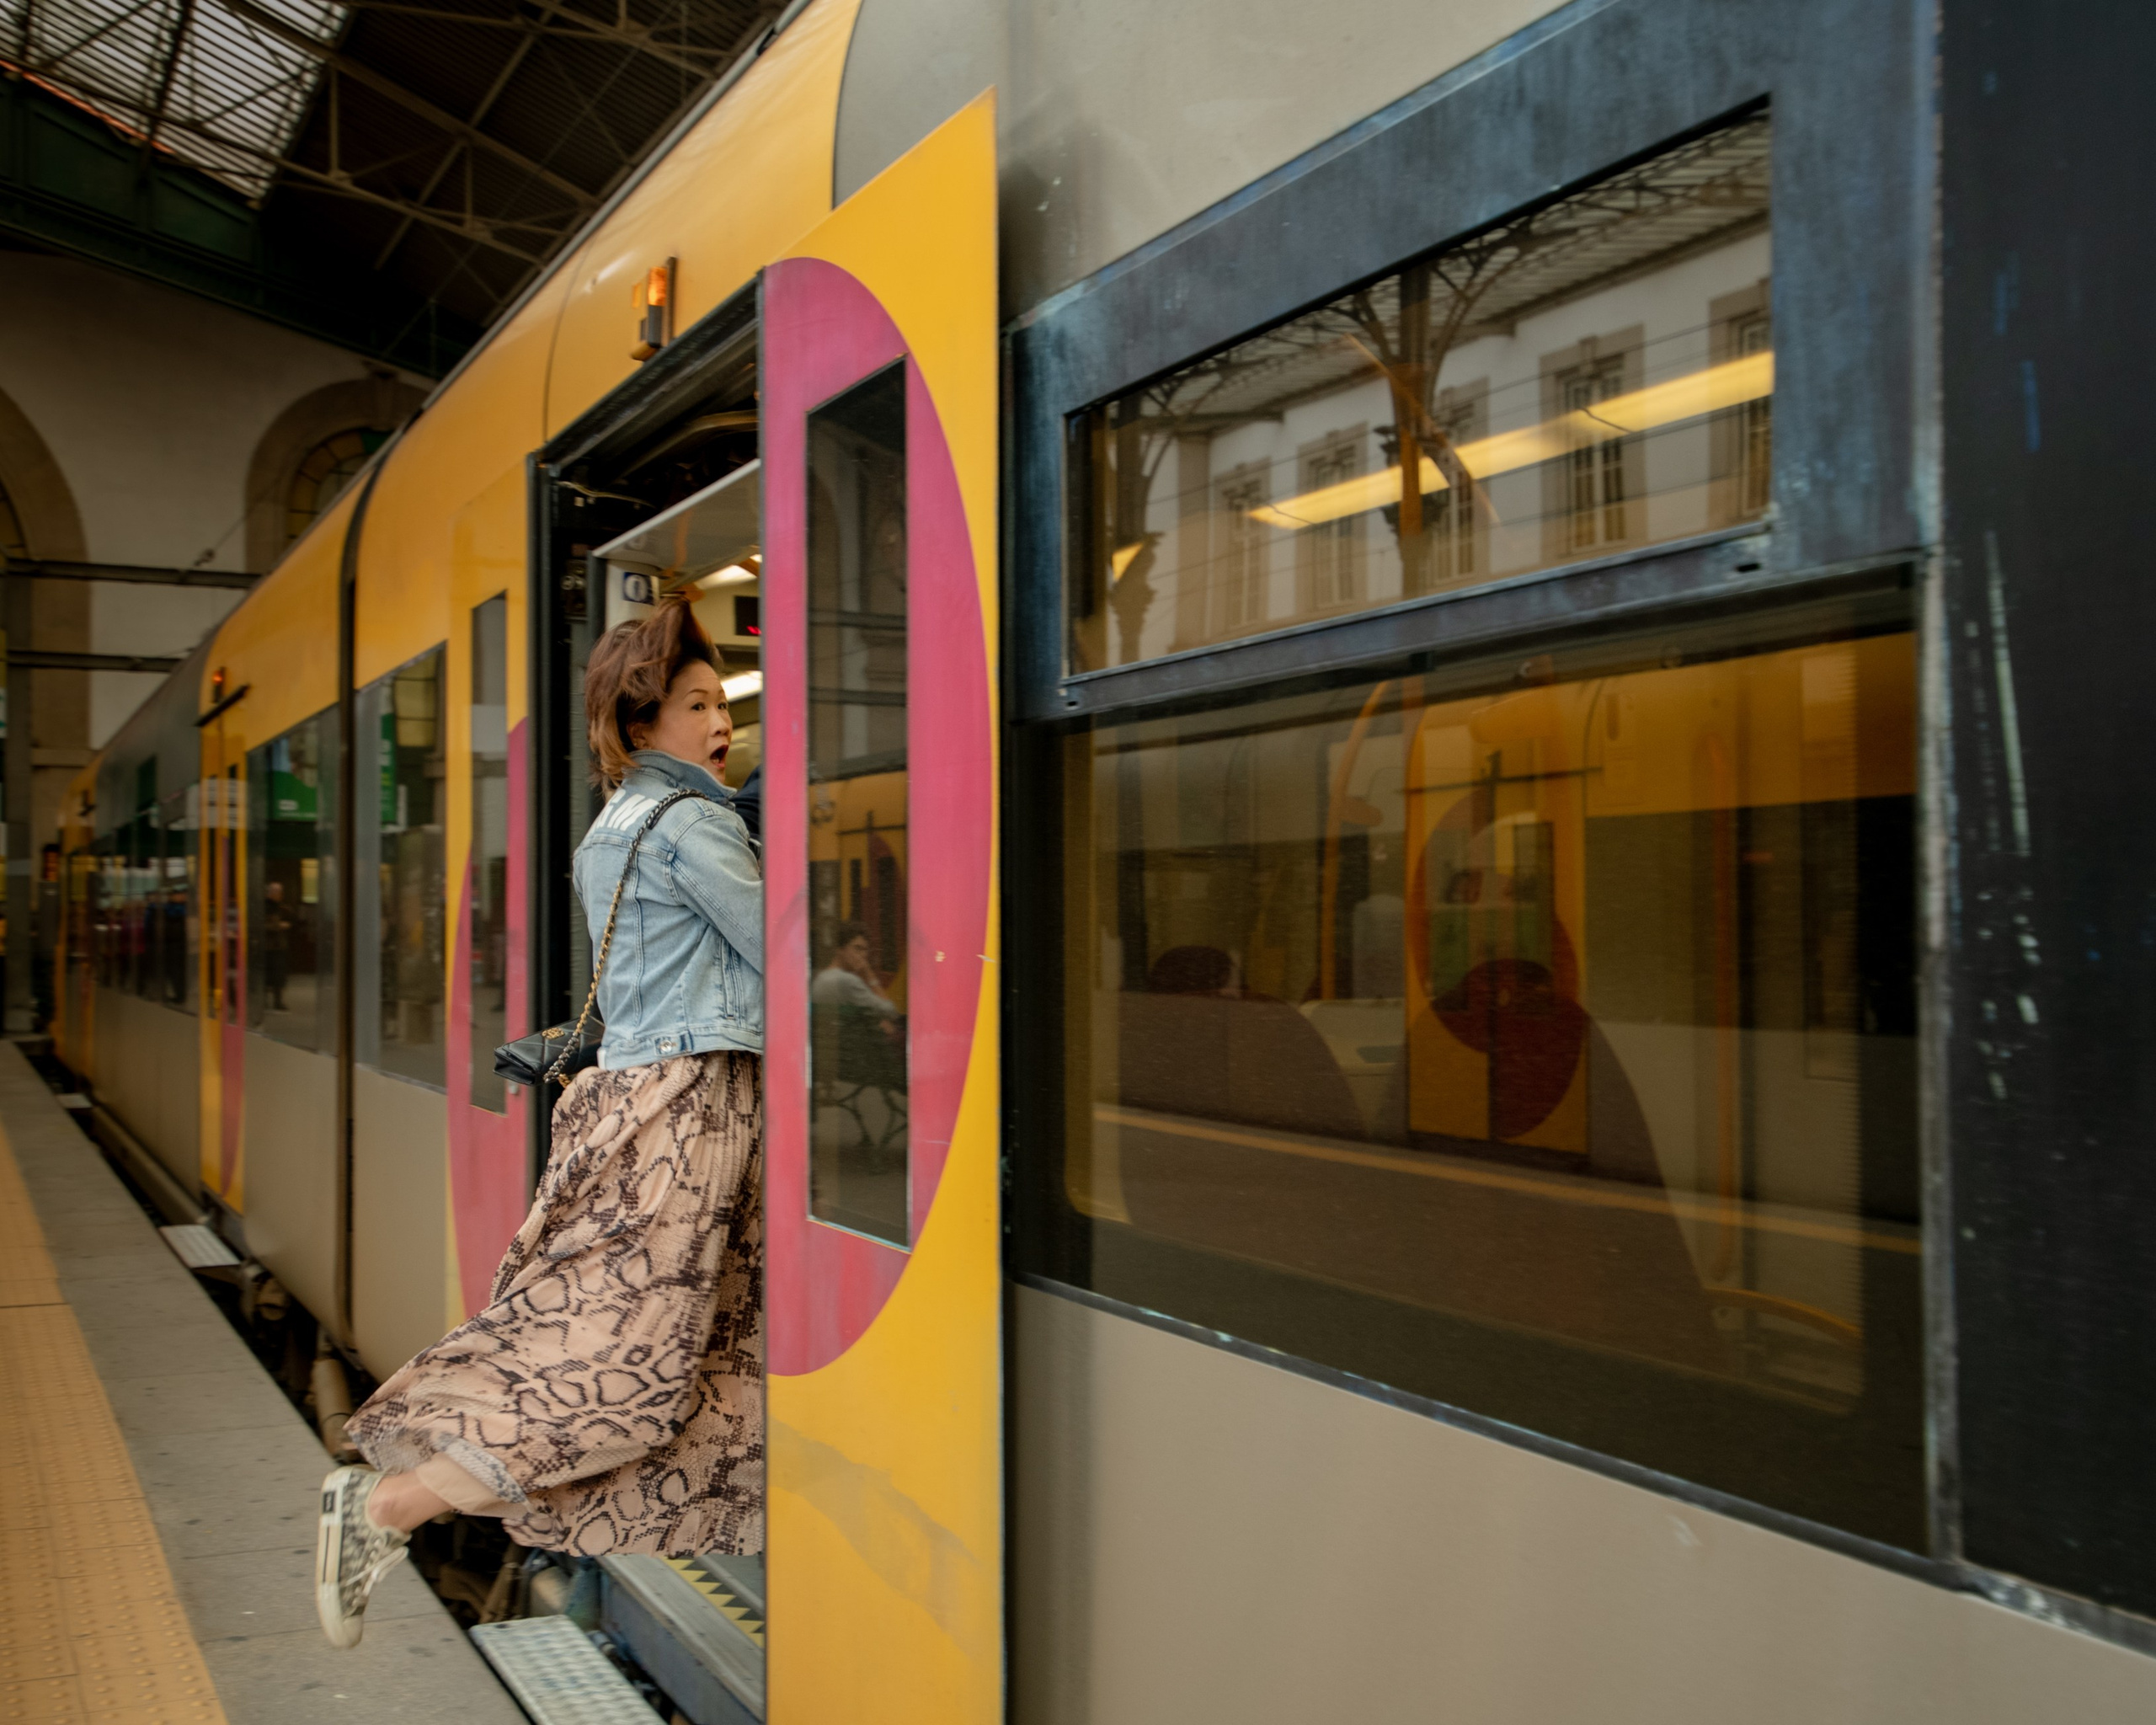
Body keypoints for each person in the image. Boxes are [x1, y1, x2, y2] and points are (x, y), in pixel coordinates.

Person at [314, 599, 764, 1648]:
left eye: (722, 701)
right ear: (640, 719)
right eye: (697, 703)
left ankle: (419, 1497)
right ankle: (392, 1503)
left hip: (631, 1105)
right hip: (687, 1115)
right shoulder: (692, 821)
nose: (719, 721)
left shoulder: (613, 826)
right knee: (636, 1359)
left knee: (605, 1340)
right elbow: (776, 955)